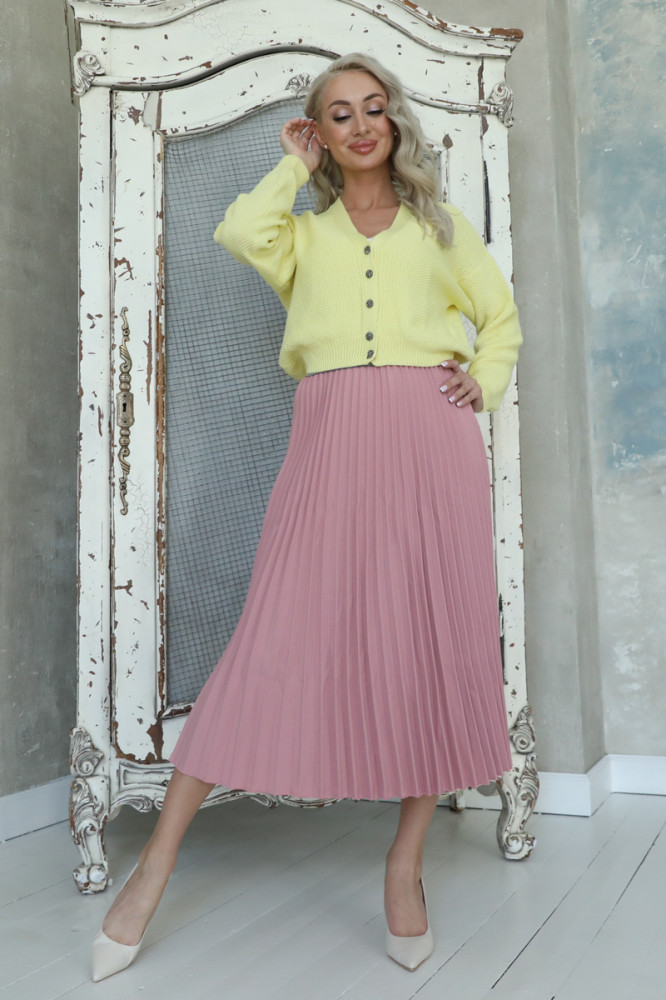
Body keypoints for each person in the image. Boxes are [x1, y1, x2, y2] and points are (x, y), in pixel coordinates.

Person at [91, 51, 522, 981]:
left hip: (429, 440)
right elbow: (237, 229)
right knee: (273, 633)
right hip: (329, 434)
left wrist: (480, 383)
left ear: (395, 121)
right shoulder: (304, 233)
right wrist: (290, 167)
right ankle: (154, 868)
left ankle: (403, 865)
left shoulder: (439, 227)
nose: (362, 125)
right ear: (319, 132)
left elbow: (501, 322)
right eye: (339, 114)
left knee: (426, 636)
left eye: (374, 107)